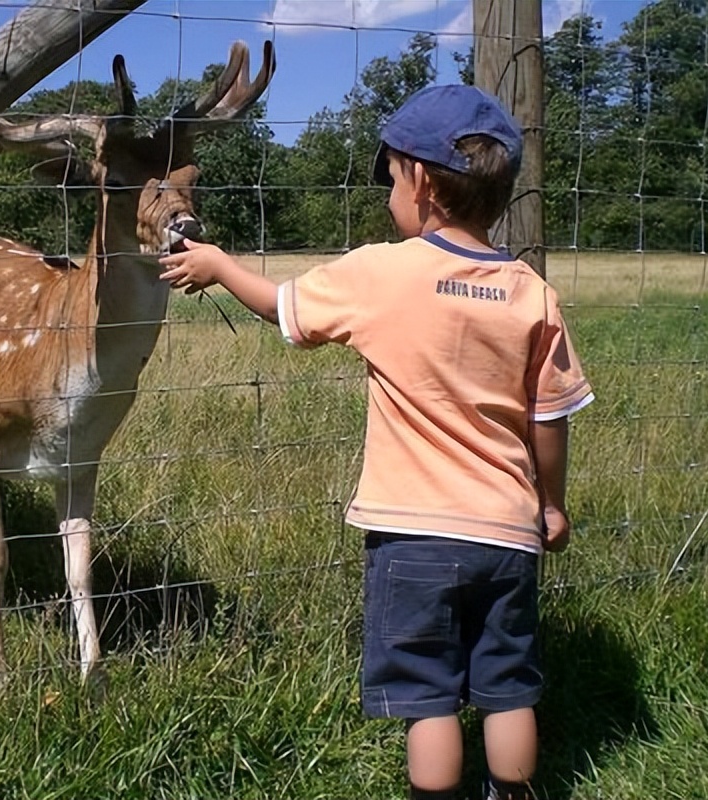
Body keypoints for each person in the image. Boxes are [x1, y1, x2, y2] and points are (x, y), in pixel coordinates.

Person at [159, 84, 593, 800]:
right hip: (509, 534)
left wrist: (220, 266)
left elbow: (284, 309)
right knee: (508, 686)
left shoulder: (381, 272)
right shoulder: (529, 292)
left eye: (390, 177)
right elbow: (550, 418)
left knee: (426, 696)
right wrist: (551, 506)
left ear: (420, 181)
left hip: (413, 535)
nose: (389, 194)